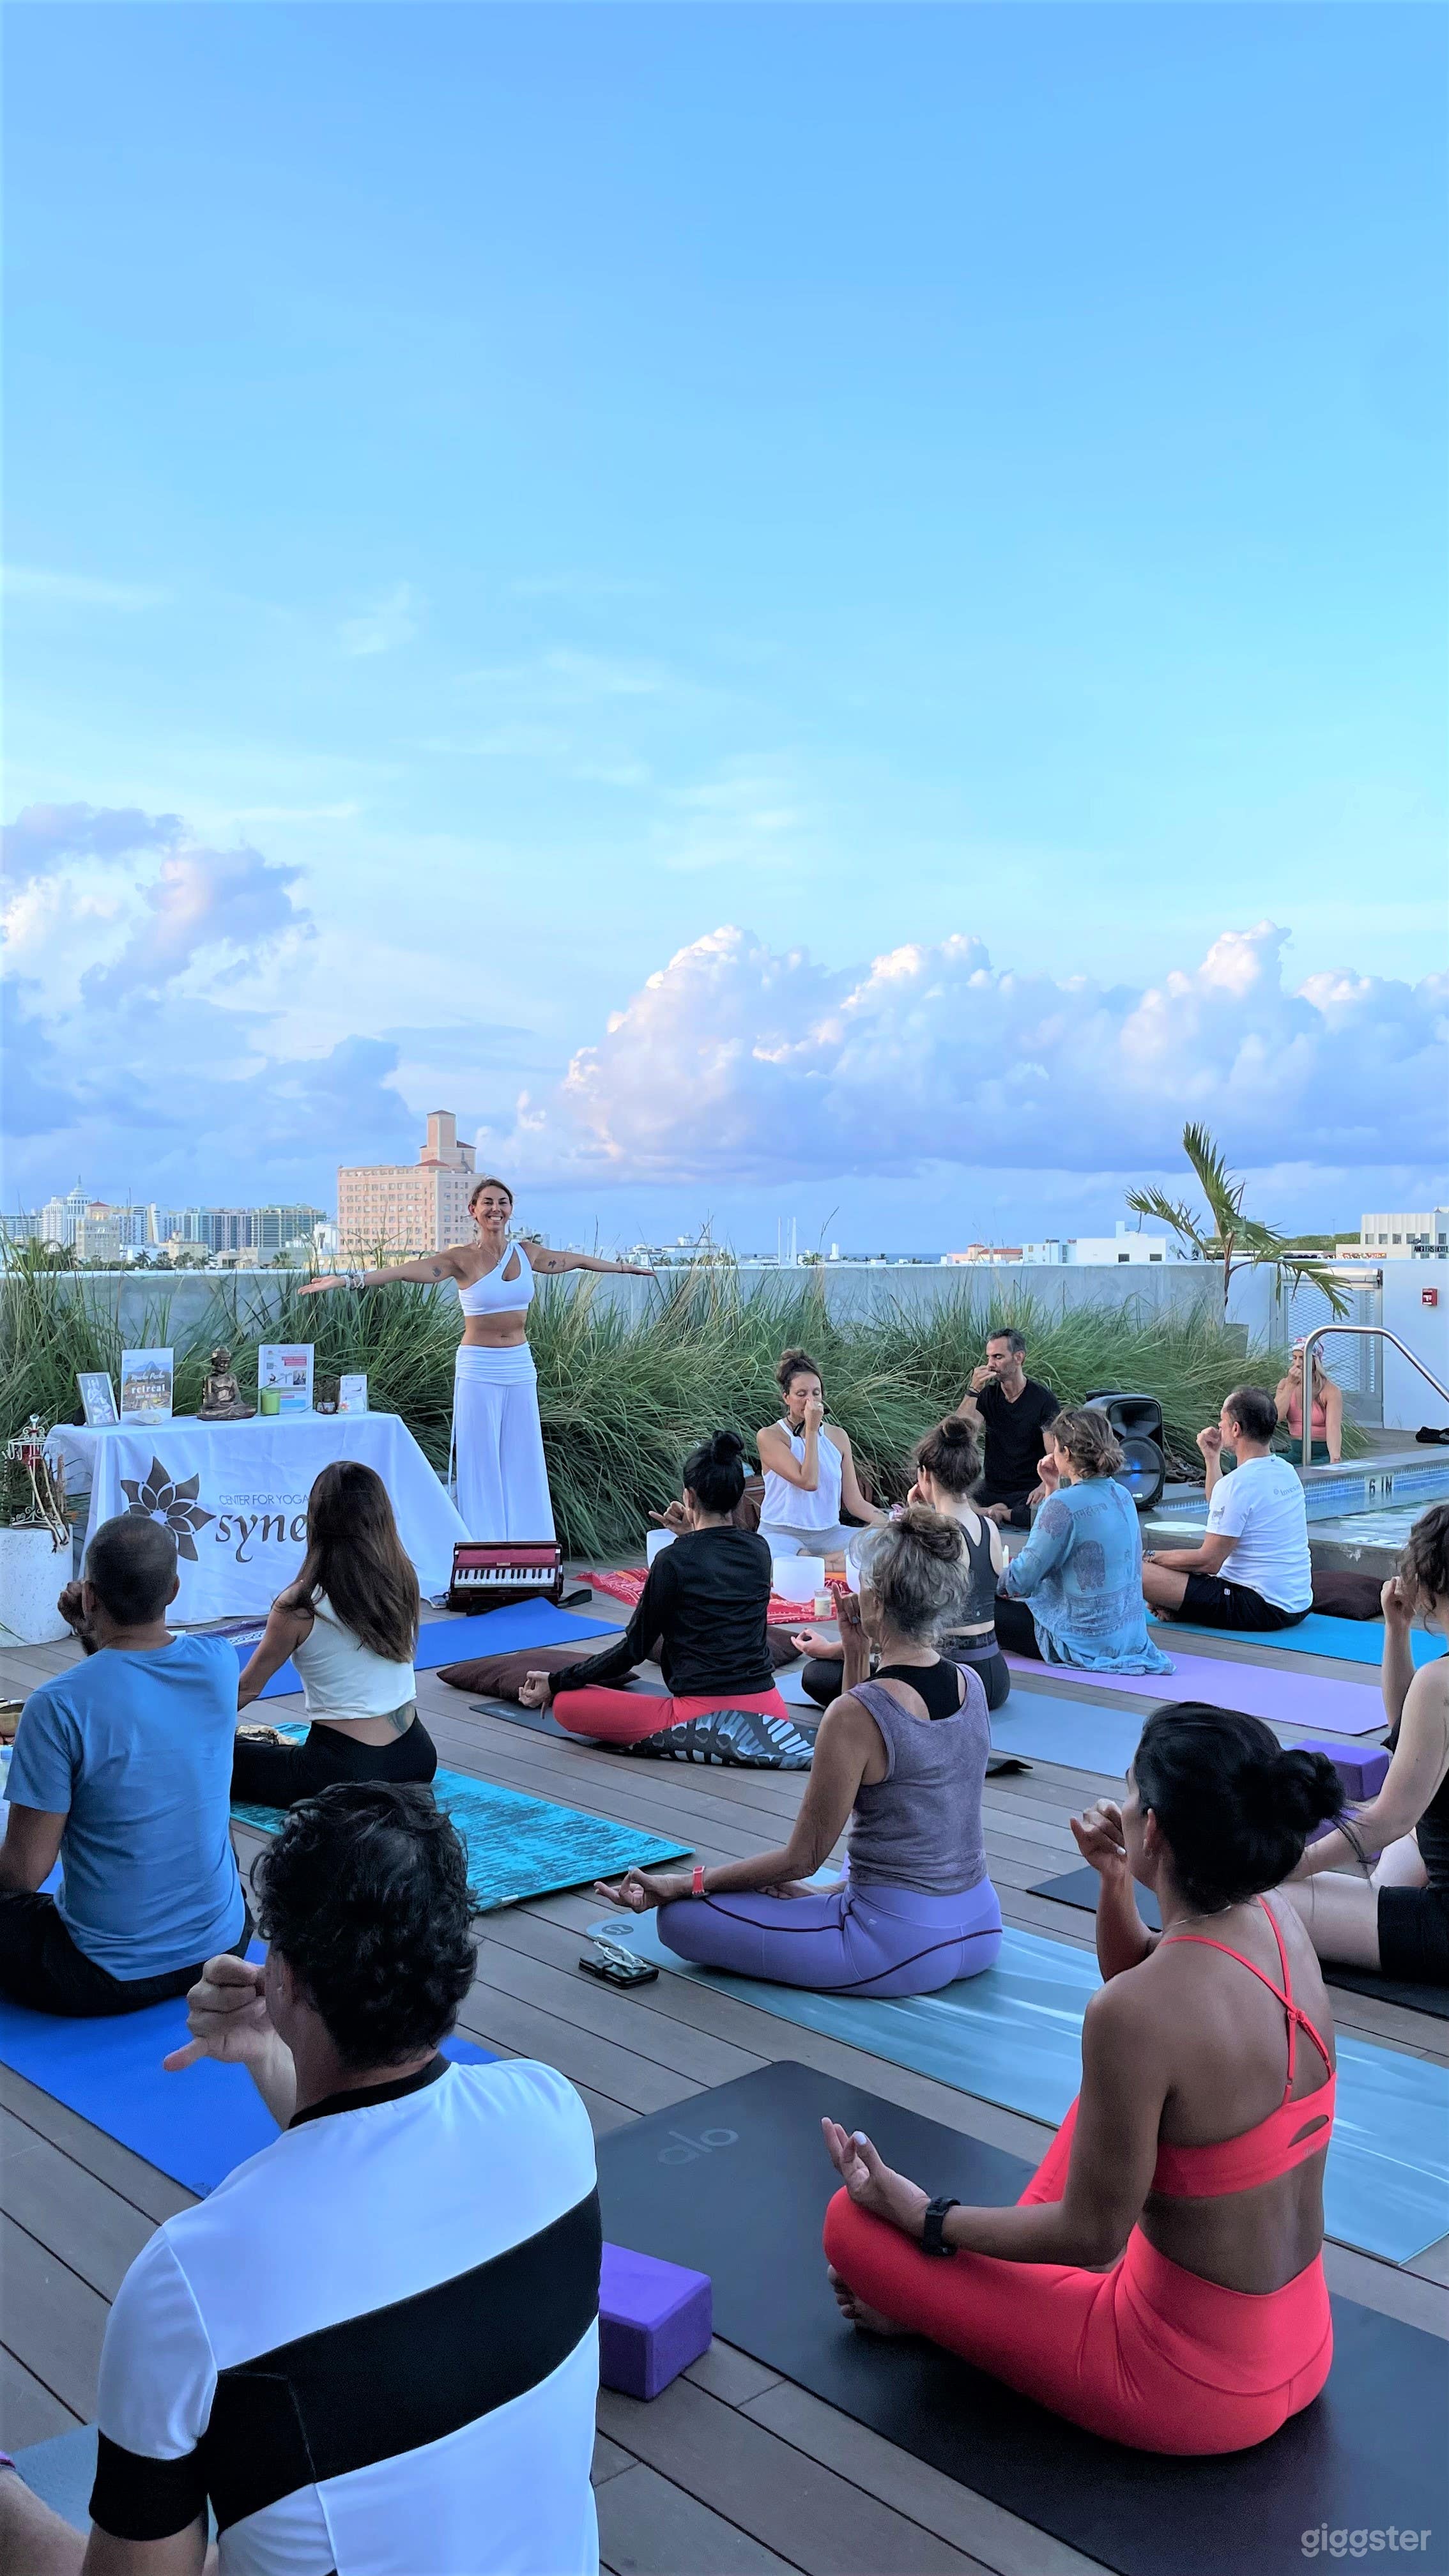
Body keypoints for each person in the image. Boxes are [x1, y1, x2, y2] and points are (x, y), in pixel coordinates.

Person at [0, 1782, 602, 2576]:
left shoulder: (191, 2277)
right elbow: (371, 2165)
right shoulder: (551, 2114)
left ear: (281, 1975)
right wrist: (268, 2051)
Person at [820, 1703, 1341, 2456]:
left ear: (1155, 1827)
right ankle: (966, 2301)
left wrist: (921, 2215)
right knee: (1111, 2100)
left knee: (850, 2221)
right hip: (1302, 2343)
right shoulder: (1278, 1922)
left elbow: (1091, 2237)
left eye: (1131, 1794)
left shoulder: (1136, 2015)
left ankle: (943, 2307)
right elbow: (1152, 1979)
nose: (1120, 1806)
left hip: (1188, 2390)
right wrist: (1116, 1878)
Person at [595, 1510, 1003, 1997]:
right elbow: (892, 1802)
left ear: (876, 1598)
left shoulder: (854, 1715)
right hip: (981, 1925)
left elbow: (803, 1858)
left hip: (898, 1947)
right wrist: (855, 1652)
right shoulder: (971, 1685)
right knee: (853, 1862)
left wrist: (683, 1884)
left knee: (681, 1918)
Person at [302, 1176, 654, 1543]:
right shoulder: (461, 1259)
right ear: (473, 1210)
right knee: (480, 1457)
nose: (495, 1209)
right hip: (478, 1366)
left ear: (510, 1210)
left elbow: (571, 1261)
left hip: (520, 1364)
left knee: (523, 1455)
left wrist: (624, 1268)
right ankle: (482, 1544)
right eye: (487, 1202)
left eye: (502, 1202)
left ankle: (529, 1543)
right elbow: (406, 1271)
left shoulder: (527, 1253)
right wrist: (346, 1280)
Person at [0, 1517, 247, 2016]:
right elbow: (132, 1672)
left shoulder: (55, 1706)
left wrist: (89, 1627)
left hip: (102, 1973)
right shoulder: (220, 1662)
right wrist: (92, 1630)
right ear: (174, 1589)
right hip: (223, 1947)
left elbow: (22, 1875)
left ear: (90, 1597)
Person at [519, 1432, 811, 1764]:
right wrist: (692, 1535)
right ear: (739, 1494)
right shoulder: (759, 1550)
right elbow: (716, 1561)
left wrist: (557, 1682)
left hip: (706, 1719)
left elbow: (633, 1649)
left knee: (570, 1705)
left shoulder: (673, 1561)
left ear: (688, 1497)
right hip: (771, 1712)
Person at [1280, 1506, 1449, 1987]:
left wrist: (1290, 1865)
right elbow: (1410, 1733)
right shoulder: (1436, 1685)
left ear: (1425, 1581)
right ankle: (1377, 1900)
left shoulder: (1442, 1682)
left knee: (1265, 1898)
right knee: (1404, 1845)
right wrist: (1396, 1632)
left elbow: (1388, 1819)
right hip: (1427, 1851)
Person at [233, 1460, 438, 1807]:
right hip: (416, 1757)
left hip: (344, 1772)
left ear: (316, 1522)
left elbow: (247, 1688)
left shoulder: (301, 1605)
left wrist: (189, 1729)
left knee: (220, 1758)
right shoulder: (403, 1580)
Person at [792, 1416, 1012, 1712]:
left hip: (952, 1679)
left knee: (817, 1675)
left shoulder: (933, 1534)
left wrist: (833, 1651)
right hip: (996, 1675)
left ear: (925, 1475)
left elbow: (901, 1624)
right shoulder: (990, 1529)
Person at [993, 1408, 1174, 1675]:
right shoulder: (1123, 1494)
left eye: (1055, 1448)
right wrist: (1052, 1488)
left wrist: (991, 1575)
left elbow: (1022, 1580)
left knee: (978, 1604)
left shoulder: (1063, 1505)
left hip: (1081, 1639)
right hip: (1127, 1637)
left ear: (1066, 1453)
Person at [1142, 1386, 1312, 1632]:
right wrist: (1212, 1458)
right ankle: (1181, 1606)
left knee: (1135, 1571)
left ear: (1236, 1429)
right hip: (1298, 1604)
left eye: (1222, 1421)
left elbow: (1208, 1562)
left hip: (1260, 1605)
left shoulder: (1238, 1484)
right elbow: (1219, 1507)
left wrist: (1149, 1556)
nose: (1218, 1427)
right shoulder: (1286, 1471)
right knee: (1168, 1572)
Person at [756, 1349, 885, 1558]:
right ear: (786, 1398)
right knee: (775, 1562)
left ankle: (817, 1561)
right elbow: (808, 1481)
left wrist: (889, 1523)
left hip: (829, 1535)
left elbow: (855, 1502)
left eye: (816, 1393)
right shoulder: (771, 1436)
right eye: (801, 1394)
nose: (810, 1401)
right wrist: (811, 1430)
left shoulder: (838, 1437)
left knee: (885, 1545)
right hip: (781, 1535)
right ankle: (829, 1562)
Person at [954, 1329, 1060, 1528]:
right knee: (953, 1502)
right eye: (989, 1357)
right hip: (992, 1487)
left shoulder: (1043, 1400)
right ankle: (993, 1512)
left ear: (1018, 1357)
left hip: (1027, 1490)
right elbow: (960, 1433)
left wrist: (1044, 1485)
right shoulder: (988, 1395)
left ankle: (1001, 1514)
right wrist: (973, 1390)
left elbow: (1054, 1455)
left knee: (1040, 1513)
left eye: (998, 1357)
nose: (990, 1364)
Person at [1275, 1344, 1344, 1467]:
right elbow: (1276, 1417)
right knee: (1240, 1462)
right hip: (1296, 1452)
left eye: (1302, 1358)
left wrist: (1335, 1458)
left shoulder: (1330, 1391)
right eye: (1294, 1358)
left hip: (1321, 1454)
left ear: (1314, 1361)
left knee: (1297, 1471)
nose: (1297, 1363)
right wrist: (1290, 1385)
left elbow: (1333, 1427)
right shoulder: (1285, 1384)